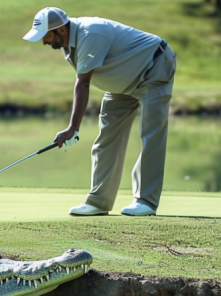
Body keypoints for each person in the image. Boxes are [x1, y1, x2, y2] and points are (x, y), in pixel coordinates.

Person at [23, 7, 176, 216]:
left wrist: (72, 128)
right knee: (106, 139)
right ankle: (98, 202)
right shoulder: (66, 44)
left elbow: (83, 83)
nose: (44, 41)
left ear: (61, 30)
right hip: (122, 83)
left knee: (151, 135)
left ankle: (146, 201)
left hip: (153, 68)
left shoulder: (90, 34)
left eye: (46, 35)